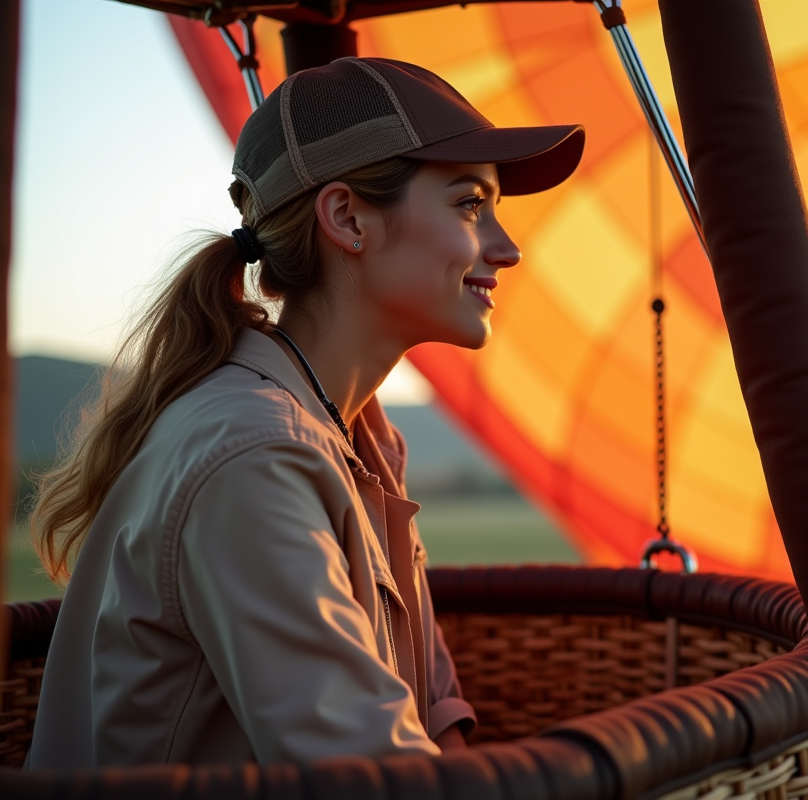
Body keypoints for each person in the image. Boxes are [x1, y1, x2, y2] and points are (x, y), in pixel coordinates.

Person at [25, 57, 585, 767]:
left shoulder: (355, 429)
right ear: (348, 219)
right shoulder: (255, 453)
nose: (507, 247)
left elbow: (429, 703)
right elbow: (373, 774)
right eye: (470, 205)